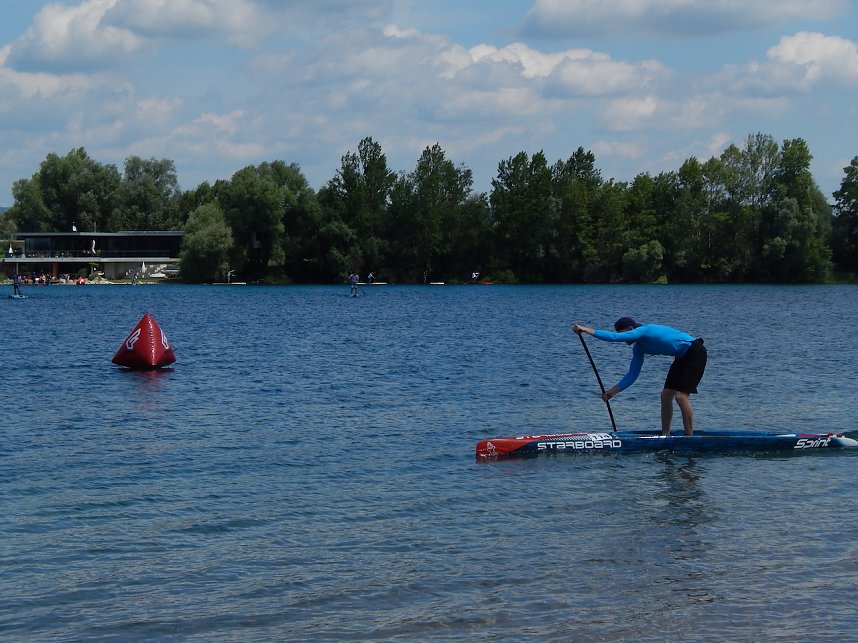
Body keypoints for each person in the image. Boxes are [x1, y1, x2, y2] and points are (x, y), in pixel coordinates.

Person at [572, 317, 707, 436]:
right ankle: (665, 434)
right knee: (666, 395)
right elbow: (633, 374)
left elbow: (614, 338)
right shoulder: (639, 349)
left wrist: (585, 330)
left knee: (680, 396)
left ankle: (689, 437)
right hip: (681, 358)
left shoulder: (645, 330)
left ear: (631, 329)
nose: (624, 339)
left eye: (624, 334)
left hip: (695, 352)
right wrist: (611, 393)